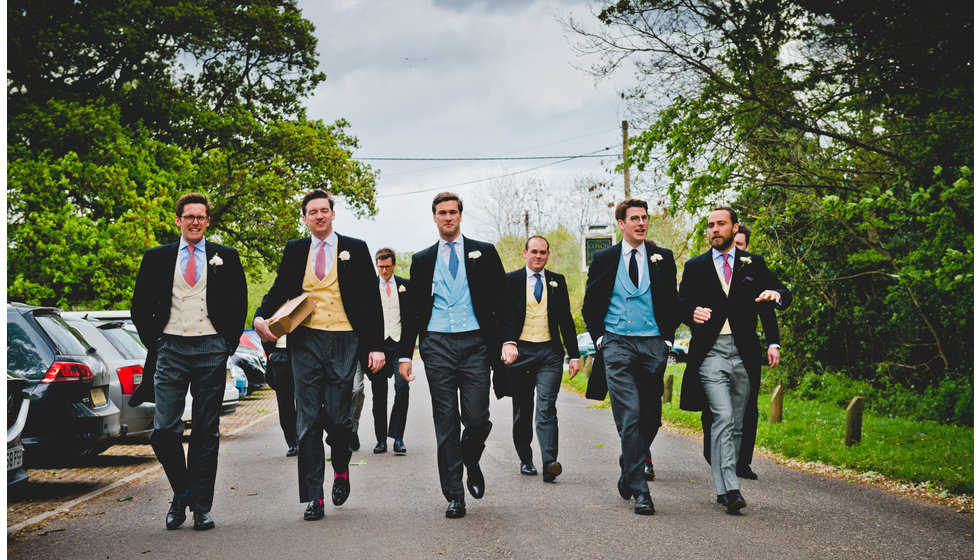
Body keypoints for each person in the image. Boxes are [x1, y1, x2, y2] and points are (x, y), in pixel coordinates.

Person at [253, 189, 385, 522]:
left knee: (340, 421)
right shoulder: (296, 250)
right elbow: (280, 288)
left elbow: (371, 301)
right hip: (306, 342)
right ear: (305, 218)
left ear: (332, 214)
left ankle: (340, 469)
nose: (319, 216)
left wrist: (375, 345)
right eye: (312, 212)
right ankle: (314, 496)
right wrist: (259, 317)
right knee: (307, 420)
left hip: (344, 340)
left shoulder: (355, 248)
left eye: (324, 210)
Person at [131, 192, 247, 531]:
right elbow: (139, 306)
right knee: (164, 429)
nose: (195, 221)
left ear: (208, 221)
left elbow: (239, 302)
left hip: (211, 348)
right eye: (189, 216)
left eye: (201, 216)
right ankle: (181, 491)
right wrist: (155, 341)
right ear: (179, 220)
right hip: (170, 349)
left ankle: (201, 508)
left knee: (206, 432)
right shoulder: (157, 257)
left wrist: (228, 343)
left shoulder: (226, 256)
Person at [397, 192, 510, 519]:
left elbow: (502, 301)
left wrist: (507, 340)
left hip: (476, 344)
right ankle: (454, 495)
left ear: (460, 215)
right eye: (442, 213)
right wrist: (406, 354)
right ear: (434, 217)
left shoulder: (484, 253)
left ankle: (471, 458)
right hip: (436, 345)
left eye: (453, 212)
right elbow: (414, 312)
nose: (448, 217)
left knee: (476, 418)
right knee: (445, 422)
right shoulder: (421, 260)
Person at [678, 206, 791, 514]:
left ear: (734, 227)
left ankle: (724, 483)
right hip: (710, 352)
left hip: (745, 353)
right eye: (710, 225)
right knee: (724, 417)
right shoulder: (695, 266)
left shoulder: (753, 263)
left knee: (738, 422)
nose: (715, 229)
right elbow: (680, 303)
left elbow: (780, 291)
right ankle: (730, 489)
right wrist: (690, 313)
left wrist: (776, 296)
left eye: (721, 224)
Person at [581, 199, 677, 516]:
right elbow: (590, 304)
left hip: (652, 343)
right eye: (634, 218)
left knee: (651, 418)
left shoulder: (663, 258)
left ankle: (629, 465)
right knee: (629, 416)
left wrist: (666, 340)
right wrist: (601, 339)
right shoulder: (605, 258)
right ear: (621, 223)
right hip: (617, 343)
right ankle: (640, 490)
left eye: (644, 218)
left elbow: (672, 302)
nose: (640, 223)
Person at [700, 224, 781, 479]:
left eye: (742, 243)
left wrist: (773, 343)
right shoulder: (704, 267)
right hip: (713, 348)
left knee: (747, 407)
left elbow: (769, 305)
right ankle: (715, 455)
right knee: (715, 410)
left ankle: (741, 461)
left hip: (746, 347)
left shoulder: (753, 266)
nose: (739, 247)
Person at [498, 236, 580, 482]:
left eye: (543, 252)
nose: (538, 256)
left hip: (549, 354)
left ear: (548, 254)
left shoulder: (557, 281)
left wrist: (574, 355)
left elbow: (565, 319)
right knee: (523, 408)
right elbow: (501, 316)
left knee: (547, 406)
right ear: (525, 253)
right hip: (521, 353)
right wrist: (506, 343)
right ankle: (525, 458)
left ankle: (549, 462)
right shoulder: (510, 280)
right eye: (534, 251)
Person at [371, 248, 412, 454]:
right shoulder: (369, 287)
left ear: (394, 265)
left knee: (402, 388)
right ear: (376, 266)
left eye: (388, 266)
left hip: (399, 347)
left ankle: (398, 437)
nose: (384, 271)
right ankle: (380, 440)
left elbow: (412, 319)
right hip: (378, 348)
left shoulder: (406, 285)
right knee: (379, 395)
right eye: (380, 267)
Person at [265, 336, 298, 457]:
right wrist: (270, 354)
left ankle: (305, 440)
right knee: (285, 403)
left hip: (302, 351)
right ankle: (293, 443)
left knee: (305, 400)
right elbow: (259, 319)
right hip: (280, 354)